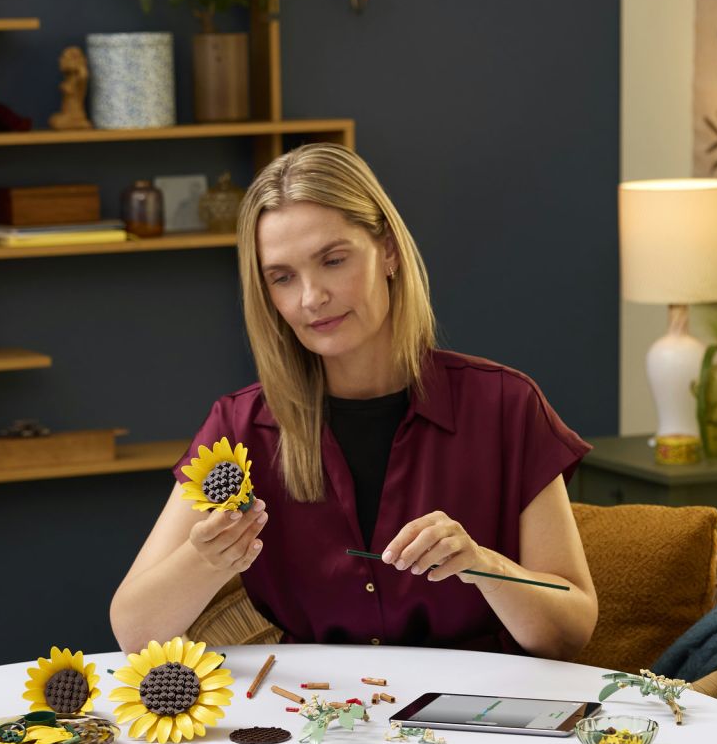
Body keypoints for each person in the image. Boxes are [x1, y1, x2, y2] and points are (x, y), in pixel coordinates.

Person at [110, 144, 597, 658]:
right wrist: (206, 559)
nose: (311, 297)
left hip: (482, 700)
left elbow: (572, 630)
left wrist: (483, 566)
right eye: (282, 277)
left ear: (388, 251)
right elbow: (134, 632)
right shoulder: (240, 426)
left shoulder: (505, 405)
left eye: (333, 260)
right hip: (315, 705)